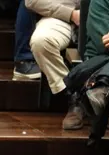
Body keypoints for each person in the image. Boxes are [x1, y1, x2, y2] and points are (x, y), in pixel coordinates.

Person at [27, 0, 84, 128]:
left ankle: (107, 99)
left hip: (102, 14)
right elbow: (32, 1)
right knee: (41, 41)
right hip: (59, 15)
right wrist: (71, 14)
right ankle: (74, 96)